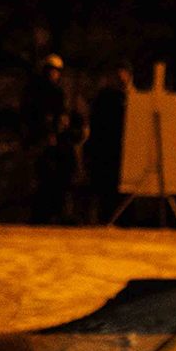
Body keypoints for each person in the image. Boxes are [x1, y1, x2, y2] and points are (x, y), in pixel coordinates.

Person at [22, 54, 84, 224]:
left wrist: (69, 126)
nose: (54, 74)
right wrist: (45, 133)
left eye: (57, 71)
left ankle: (62, 214)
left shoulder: (61, 91)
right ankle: (41, 216)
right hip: (42, 141)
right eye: (51, 70)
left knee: (65, 176)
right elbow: (32, 116)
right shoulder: (36, 92)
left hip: (59, 142)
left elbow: (67, 115)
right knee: (44, 178)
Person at [85, 66, 131, 216]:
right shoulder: (106, 97)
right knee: (106, 186)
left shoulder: (131, 97)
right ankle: (106, 216)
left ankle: (122, 217)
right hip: (107, 148)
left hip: (125, 148)